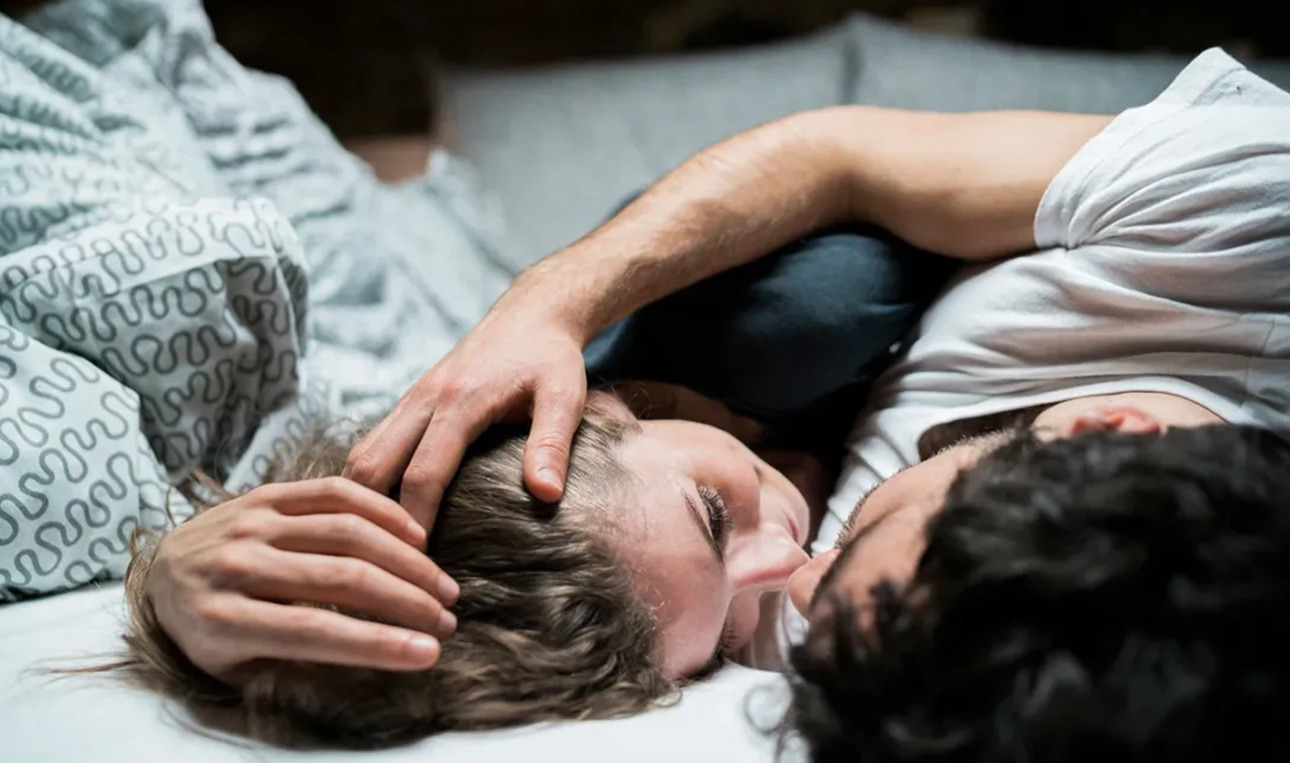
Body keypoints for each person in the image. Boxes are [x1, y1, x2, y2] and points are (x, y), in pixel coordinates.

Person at [326, 48, 1289, 760]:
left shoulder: (934, 661)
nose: (794, 580)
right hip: (809, 289)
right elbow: (842, 157)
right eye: (852, 558)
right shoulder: (1245, 219)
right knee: (812, 310)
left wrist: (246, 618)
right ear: (1097, 431)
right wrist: (548, 304)